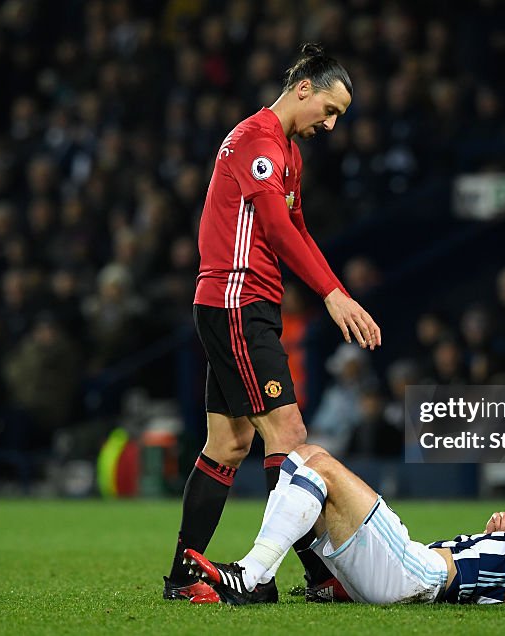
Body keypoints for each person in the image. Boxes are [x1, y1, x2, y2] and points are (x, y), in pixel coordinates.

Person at [164, 44, 382, 603]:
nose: (330, 125)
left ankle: (185, 575)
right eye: (329, 110)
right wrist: (332, 296)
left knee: (228, 443)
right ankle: (305, 577)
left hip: (242, 305)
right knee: (290, 438)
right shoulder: (256, 141)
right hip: (237, 302)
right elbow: (278, 231)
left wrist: (340, 293)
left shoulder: (287, 151)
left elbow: (300, 230)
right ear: (304, 88)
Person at [183, 444, 505, 605]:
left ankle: (251, 575)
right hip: (407, 573)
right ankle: (270, 575)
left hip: (417, 573)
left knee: (319, 464)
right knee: (302, 459)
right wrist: (501, 534)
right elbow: (503, 578)